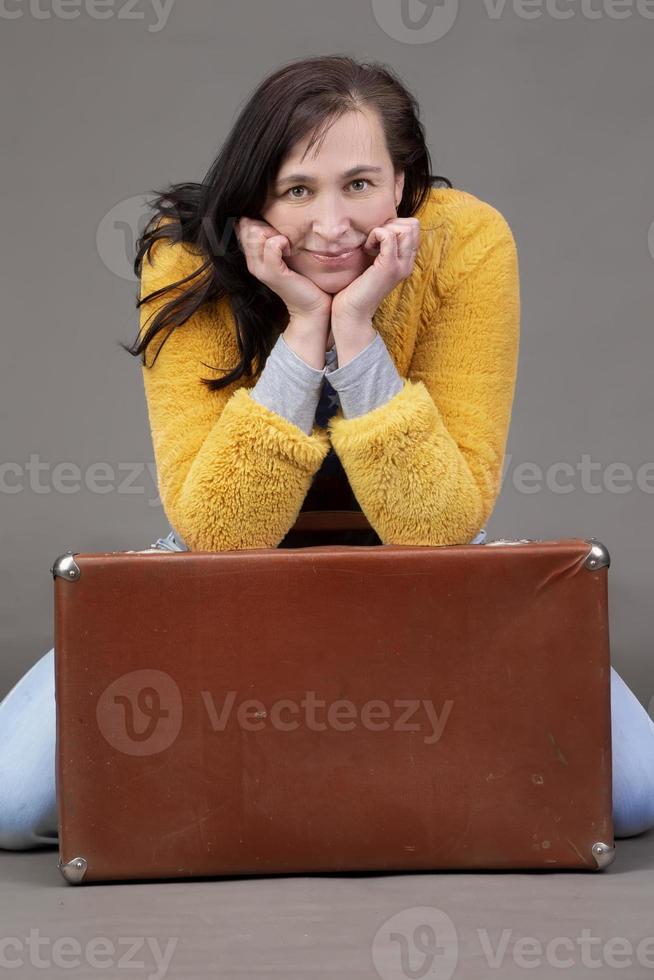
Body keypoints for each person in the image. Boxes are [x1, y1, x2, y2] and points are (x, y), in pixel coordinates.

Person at [1, 54, 653, 849]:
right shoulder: (185, 258)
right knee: (11, 802)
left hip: (422, 573)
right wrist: (305, 332)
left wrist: (358, 332)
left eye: (360, 185)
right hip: (229, 580)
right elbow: (218, 531)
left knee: (633, 795)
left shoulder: (469, 242)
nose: (332, 225)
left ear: (405, 183)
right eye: (296, 190)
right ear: (254, 197)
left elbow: (440, 525)